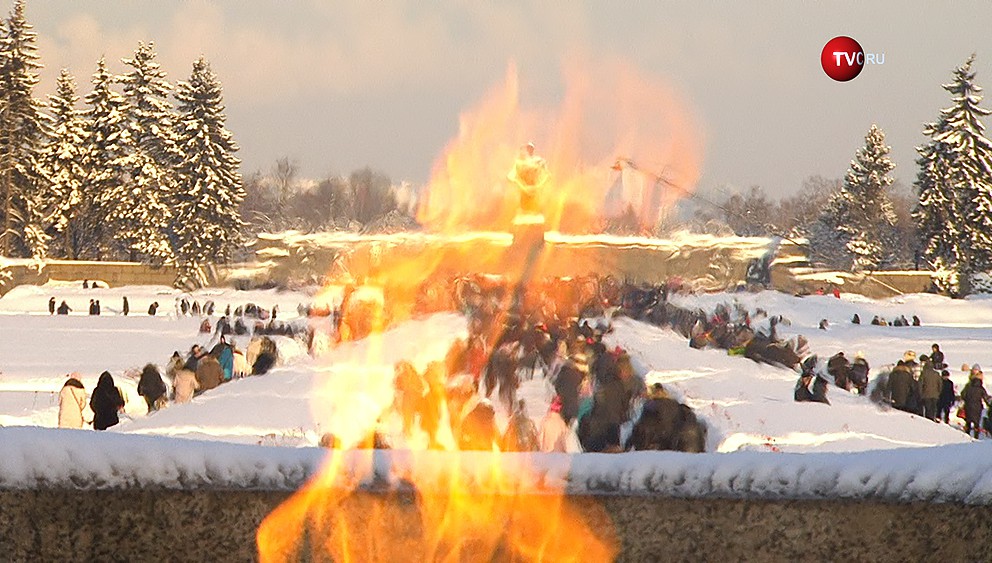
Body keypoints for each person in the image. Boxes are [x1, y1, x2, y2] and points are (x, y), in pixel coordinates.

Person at [961, 367, 990, 438]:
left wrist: (967, 400)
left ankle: (967, 435)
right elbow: (986, 398)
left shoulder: (968, 387)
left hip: (968, 406)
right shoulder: (981, 388)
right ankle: (976, 436)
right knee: (976, 423)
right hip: (977, 407)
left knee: (968, 422)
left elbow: (963, 395)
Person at [918, 355, 942, 421]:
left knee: (927, 409)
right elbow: (940, 384)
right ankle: (932, 419)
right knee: (933, 409)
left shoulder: (923, 374)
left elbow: (920, 385)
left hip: (926, 395)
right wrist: (938, 393)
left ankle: (928, 422)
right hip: (935, 395)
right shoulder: (936, 374)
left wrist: (921, 394)